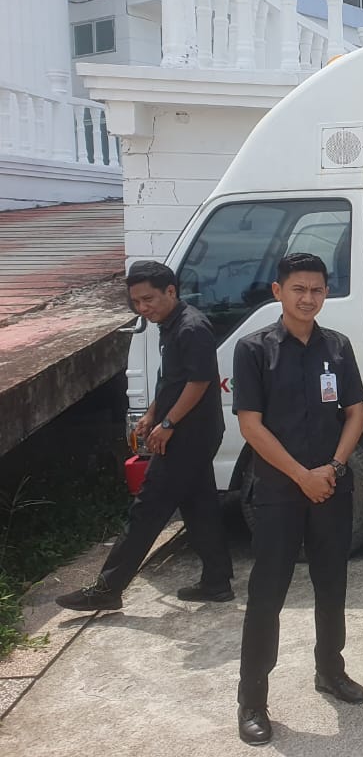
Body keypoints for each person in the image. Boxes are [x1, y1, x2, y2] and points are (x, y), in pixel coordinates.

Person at [232, 252, 363, 745]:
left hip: (331, 489)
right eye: (298, 289)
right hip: (278, 493)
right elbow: (251, 426)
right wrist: (300, 476)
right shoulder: (254, 349)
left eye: (316, 290)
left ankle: (330, 671)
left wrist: (332, 468)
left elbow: (355, 413)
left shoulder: (338, 346)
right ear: (278, 292)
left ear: (325, 293)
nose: (308, 298)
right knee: (267, 595)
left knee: (332, 586)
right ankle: (252, 700)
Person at [56, 260, 233, 613]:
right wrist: (152, 414)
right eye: (136, 302)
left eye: (148, 299)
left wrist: (167, 424)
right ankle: (217, 582)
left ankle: (108, 588)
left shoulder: (192, 327)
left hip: (188, 436)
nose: (142, 308)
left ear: (171, 291)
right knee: (199, 506)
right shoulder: (169, 324)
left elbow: (199, 382)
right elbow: (173, 380)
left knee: (147, 509)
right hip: (187, 432)